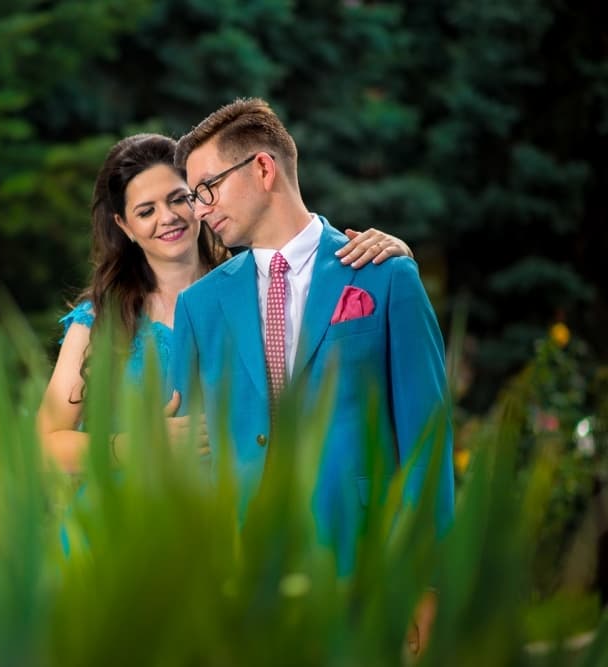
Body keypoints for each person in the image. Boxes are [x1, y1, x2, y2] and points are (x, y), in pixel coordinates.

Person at [169, 98, 454, 653]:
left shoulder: (385, 274)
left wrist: (427, 583)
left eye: (207, 188)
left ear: (262, 168)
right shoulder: (199, 308)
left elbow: (427, 438)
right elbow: (189, 456)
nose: (199, 210)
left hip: (364, 572)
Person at [37, 133, 414, 474]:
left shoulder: (259, 287)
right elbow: (46, 444)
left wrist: (396, 255)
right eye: (146, 211)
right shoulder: (99, 321)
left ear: (201, 200)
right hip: (122, 525)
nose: (168, 218)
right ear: (123, 226)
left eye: (179, 198)